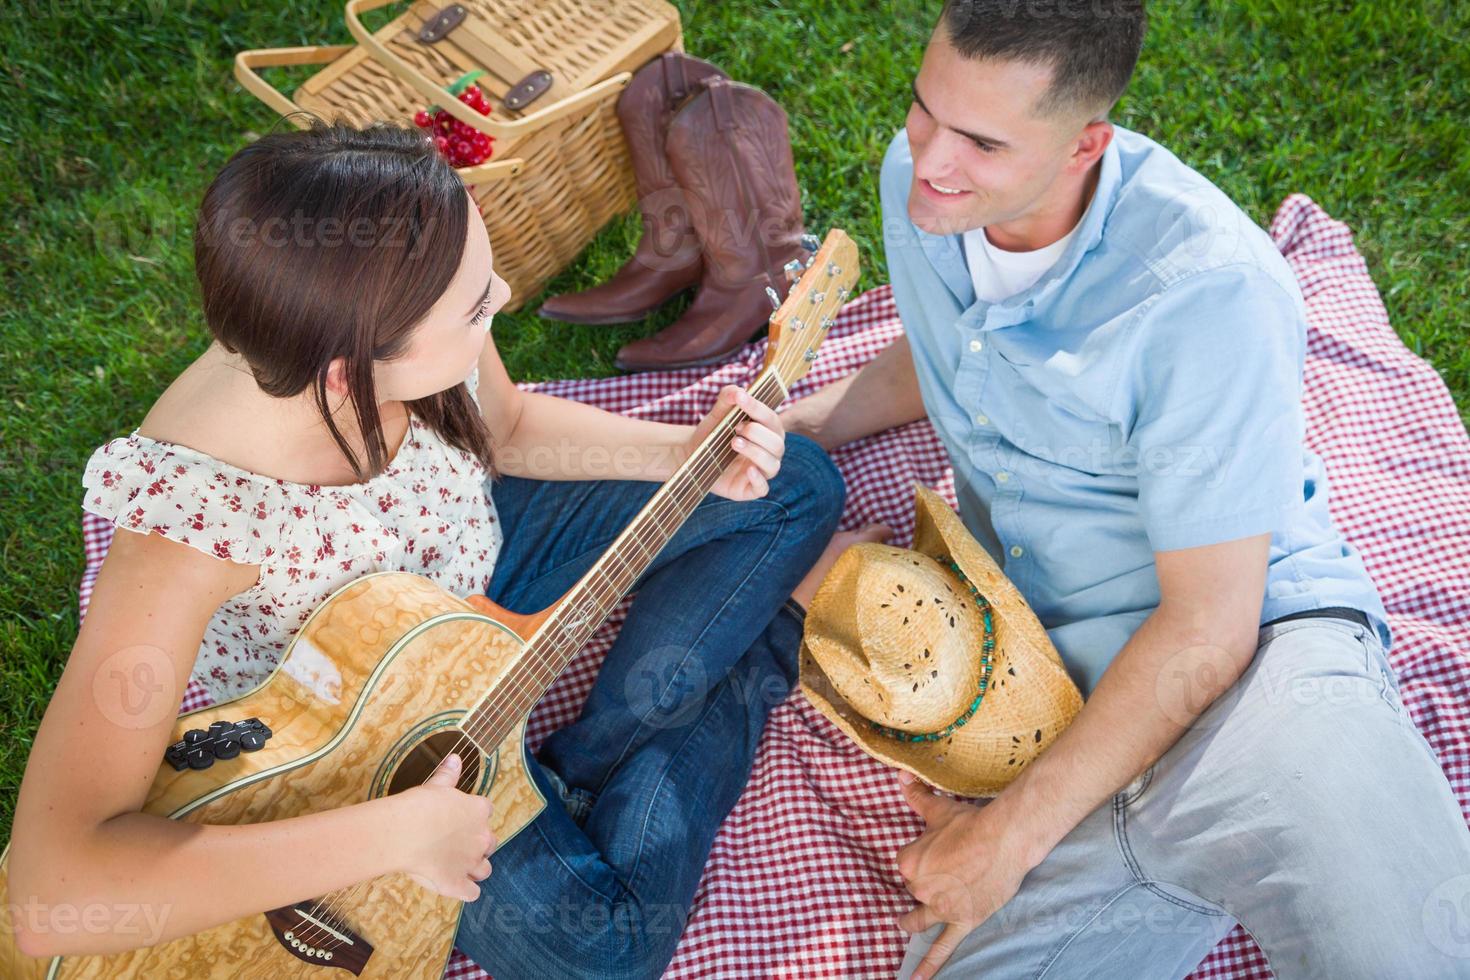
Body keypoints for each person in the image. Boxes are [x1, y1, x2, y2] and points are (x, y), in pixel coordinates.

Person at [7, 119, 859, 979]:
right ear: (346, 373)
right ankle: (765, 651)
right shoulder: (191, 525)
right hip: (365, 739)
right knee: (608, 949)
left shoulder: (401, 276)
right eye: (475, 308)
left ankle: (577, 759)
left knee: (796, 488)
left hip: (473, 563)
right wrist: (397, 835)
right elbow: (51, 894)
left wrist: (679, 457)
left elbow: (512, 425)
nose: (505, 293)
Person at [780, 2, 1470, 978]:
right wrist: (814, 421)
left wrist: (1010, 835)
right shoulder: (928, 184)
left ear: (1084, 145)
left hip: (1253, 673)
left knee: (1408, 952)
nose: (932, 158)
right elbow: (951, 343)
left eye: (981, 140)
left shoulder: (1212, 297)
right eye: (924, 109)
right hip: (1056, 709)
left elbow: (1207, 632)